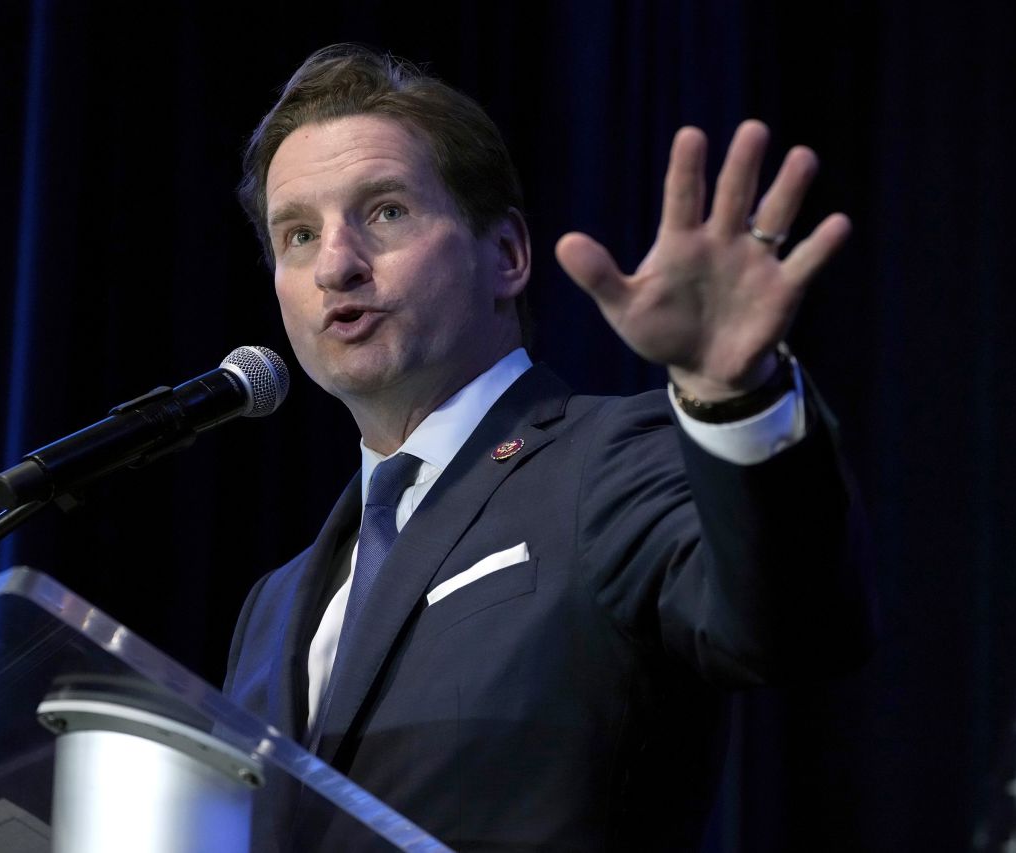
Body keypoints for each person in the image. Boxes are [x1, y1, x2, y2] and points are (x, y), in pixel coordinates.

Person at [223, 42, 875, 852]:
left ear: (507, 255)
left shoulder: (607, 462)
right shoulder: (273, 605)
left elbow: (792, 624)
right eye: (297, 234)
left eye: (385, 211)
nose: (337, 266)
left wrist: (736, 395)